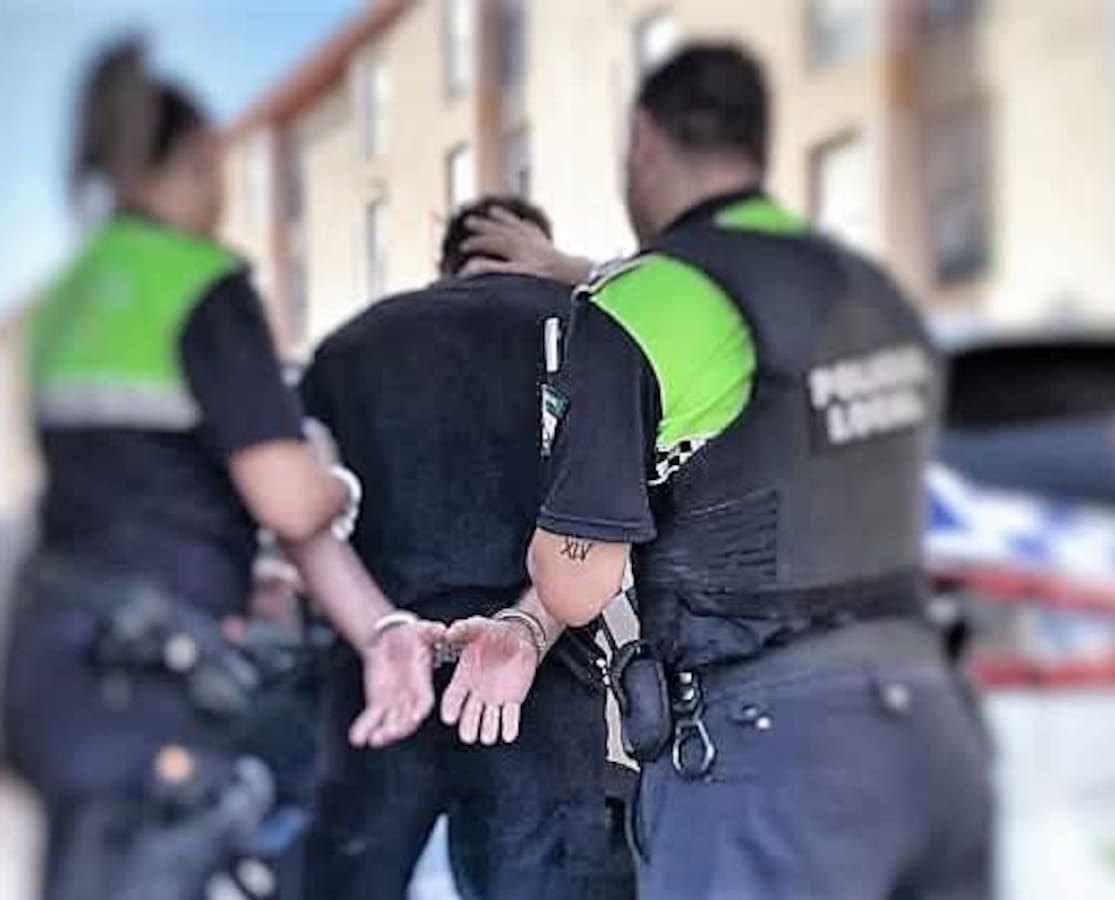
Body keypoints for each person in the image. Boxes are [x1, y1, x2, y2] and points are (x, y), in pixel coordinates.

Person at [456, 44, 994, 900]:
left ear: (644, 139)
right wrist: (573, 268)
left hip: (766, 756)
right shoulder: (865, 288)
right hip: (929, 733)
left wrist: (528, 603)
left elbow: (575, 587)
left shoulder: (639, 309)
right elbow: (759, 339)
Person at [3, 40, 445, 900]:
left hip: (57, 663)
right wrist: (331, 474)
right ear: (198, 159)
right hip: (151, 677)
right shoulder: (197, 283)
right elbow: (291, 503)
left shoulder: (69, 298)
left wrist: (381, 631)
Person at [298, 196, 614, 900]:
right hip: (537, 683)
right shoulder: (586, 332)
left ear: (444, 266)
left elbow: (303, 517)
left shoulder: (349, 349)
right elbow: (607, 508)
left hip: (379, 680)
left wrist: (382, 627)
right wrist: (529, 622)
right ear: (537, 252)